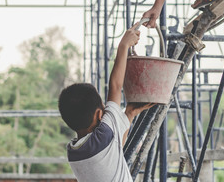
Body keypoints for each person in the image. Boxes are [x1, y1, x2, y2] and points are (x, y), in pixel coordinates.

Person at [58, 22, 153, 182]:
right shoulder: (103, 135)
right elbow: (115, 87)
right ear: (98, 114)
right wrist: (123, 45)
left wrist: (128, 114)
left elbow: (114, 149)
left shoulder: (74, 152)